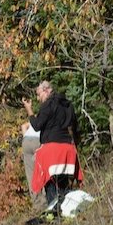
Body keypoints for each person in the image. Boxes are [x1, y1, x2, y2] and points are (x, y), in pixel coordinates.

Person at [22, 81, 83, 216]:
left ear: (46, 90)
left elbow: (37, 125)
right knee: (63, 181)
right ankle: (67, 210)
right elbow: (75, 127)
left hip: (51, 150)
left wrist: (29, 111)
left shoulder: (47, 105)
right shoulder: (67, 104)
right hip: (67, 148)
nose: (38, 98)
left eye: (39, 94)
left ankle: (53, 212)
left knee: (50, 183)